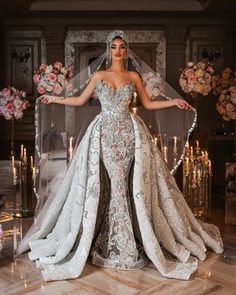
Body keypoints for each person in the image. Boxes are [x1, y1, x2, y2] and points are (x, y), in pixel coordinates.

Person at [17, 30, 223, 281]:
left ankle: (122, 240)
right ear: (108, 49)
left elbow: (147, 104)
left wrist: (173, 103)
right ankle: (111, 239)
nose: (117, 51)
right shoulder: (99, 75)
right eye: (114, 47)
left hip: (129, 135)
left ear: (126, 50)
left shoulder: (133, 76)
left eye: (122, 47)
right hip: (103, 135)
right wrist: (54, 98)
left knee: (125, 184)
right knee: (110, 184)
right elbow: (79, 100)